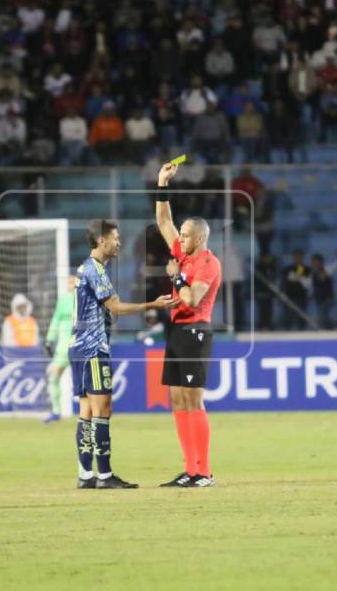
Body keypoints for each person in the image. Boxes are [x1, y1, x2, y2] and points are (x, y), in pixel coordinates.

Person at [70, 219, 176, 489]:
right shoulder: (94, 270)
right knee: (102, 408)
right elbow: (115, 307)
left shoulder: (87, 268)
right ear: (101, 240)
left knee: (86, 409)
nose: (119, 242)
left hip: (79, 347)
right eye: (115, 238)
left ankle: (85, 475)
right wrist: (153, 303)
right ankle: (104, 476)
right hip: (93, 348)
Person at [155, 162, 222, 488]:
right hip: (178, 332)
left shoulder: (208, 263)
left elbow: (193, 298)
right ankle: (190, 468)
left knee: (194, 401)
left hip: (196, 331)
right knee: (178, 401)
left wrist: (176, 277)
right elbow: (163, 220)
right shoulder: (183, 254)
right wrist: (162, 183)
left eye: (184, 235)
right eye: (180, 235)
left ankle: (204, 472)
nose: (178, 238)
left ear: (199, 236)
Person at [43, 275, 75, 423]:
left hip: (79, 347)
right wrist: (50, 340)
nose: (71, 284)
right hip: (63, 349)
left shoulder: (86, 299)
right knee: (54, 376)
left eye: (73, 281)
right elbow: (56, 320)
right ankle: (56, 411)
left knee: (87, 381)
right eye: (69, 282)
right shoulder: (63, 301)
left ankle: (92, 413)